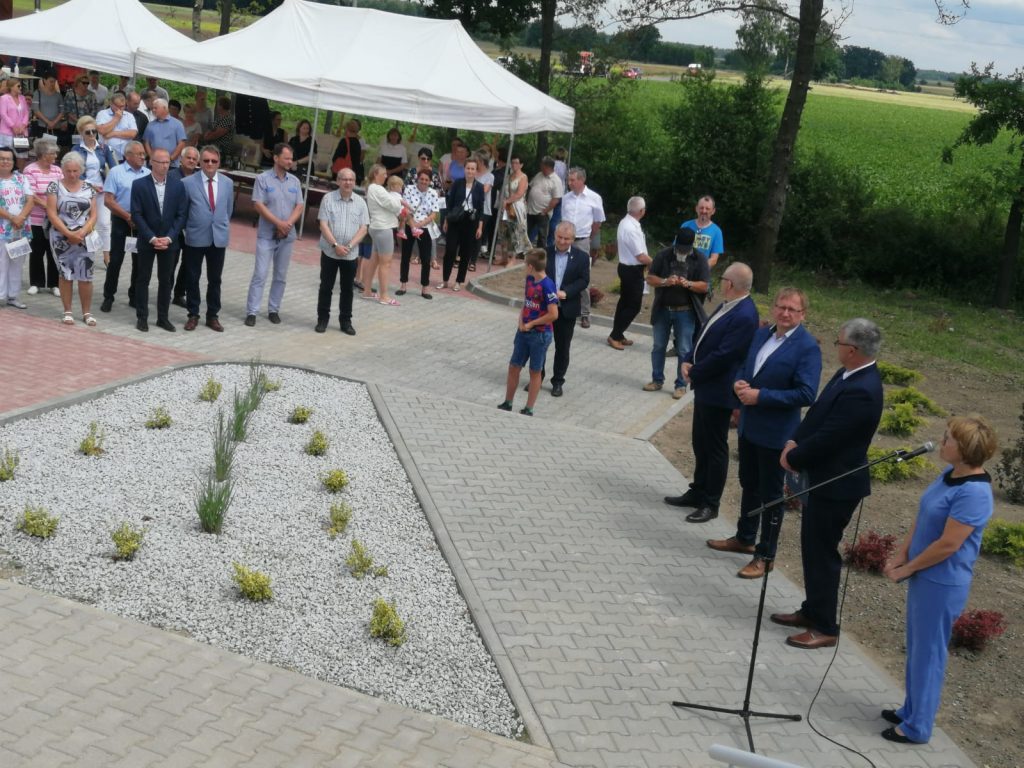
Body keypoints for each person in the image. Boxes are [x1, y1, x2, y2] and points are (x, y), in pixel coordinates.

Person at [881, 415, 998, 745]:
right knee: (917, 646)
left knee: (929, 653)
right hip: (924, 573)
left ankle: (918, 727)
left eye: (948, 439)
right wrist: (903, 554)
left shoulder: (975, 492)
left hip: (942, 582)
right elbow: (923, 517)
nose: (941, 442)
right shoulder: (950, 475)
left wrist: (909, 569)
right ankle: (911, 709)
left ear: (965, 450)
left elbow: (949, 544)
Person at [772, 318, 885, 649]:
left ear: (852, 350)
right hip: (821, 480)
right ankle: (811, 610)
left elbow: (832, 437)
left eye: (839, 343)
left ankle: (825, 627)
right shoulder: (847, 374)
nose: (835, 348)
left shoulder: (864, 390)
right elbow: (817, 415)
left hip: (837, 485)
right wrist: (793, 441)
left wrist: (794, 458)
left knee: (822, 553)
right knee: (811, 547)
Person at [706, 288, 822, 579]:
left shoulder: (807, 347)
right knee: (749, 484)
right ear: (774, 308)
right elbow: (745, 368)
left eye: (792, 309)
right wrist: (738, 384)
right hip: (749, 427)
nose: (785, 313)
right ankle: (744, 538)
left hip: (775, 434)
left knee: (771, 496)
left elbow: (807, 393)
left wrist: (761, 396)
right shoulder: (761, 334)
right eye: (781, 307)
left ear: (803, 314)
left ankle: (765, 555)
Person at [665, 262, 759, 523]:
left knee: (714, 447)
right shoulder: (728, 305)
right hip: (707, 386)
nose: (719, 283)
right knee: (700, 441)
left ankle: (710, 502)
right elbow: (704, 336)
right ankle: (697, 490)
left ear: (730, 284)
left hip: (720, 391)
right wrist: (688, 359)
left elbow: (725, 355)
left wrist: (695, 371)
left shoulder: (745, 314)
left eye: (723, 279)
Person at [643, 227, 709, 399]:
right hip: (663, 309)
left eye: (685, 250)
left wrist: (689, 284)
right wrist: (665, 281)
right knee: (658, 346)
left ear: (691, 246)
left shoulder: (700, 258)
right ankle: (657, 379)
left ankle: (681, 385)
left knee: (684, 349)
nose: (681, 252)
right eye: (679, 249)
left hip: (686, 311)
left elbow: (705, 286)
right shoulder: (663, 255)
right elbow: (650, 278)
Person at [244, 143, 304, 326]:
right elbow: (258, 205)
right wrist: (278, 223)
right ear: (276, 158)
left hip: (287, 236)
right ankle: (252, 311)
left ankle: (273, 309)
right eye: (286, 158)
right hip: (267, 234)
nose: (290, 161)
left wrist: (287, 224)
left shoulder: (294, 181)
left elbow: (299, 206)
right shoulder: (262, 179)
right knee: (260, 273)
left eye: (291, 158)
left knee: (280, 275)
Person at [130, 148, 188, 333]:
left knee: (166, 280)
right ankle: (142, 317)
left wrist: (170, 237)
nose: (165, 166)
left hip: (169, 241)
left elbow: (181, 215)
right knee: (143, 278)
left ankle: (163, 318)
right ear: (151, 163)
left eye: (167, 162)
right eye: (161, 162)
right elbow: (137, 214)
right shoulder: (139, 185)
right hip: (147, 240)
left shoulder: (178, 186)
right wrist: (152, 237)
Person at [497, 248, 559, 417]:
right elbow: (527, 302)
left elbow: (553, 314)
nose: (524, 267)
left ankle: (529, 408)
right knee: (514, 366)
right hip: (523, 331)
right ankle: (508, 402)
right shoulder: (530, 280)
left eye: (525, 264)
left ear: (531, 266)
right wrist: (521, 322)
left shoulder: (548, 285)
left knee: (535, 370)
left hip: (540, 334)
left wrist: (531, 324)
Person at [182, 145, 233, 332]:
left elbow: (228, 210)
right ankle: (193, 314)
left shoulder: (227, 183)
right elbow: (183, 211)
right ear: (200, 163)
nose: (210, 164)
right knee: (192, 277)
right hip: (195, 237)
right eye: (206, 161)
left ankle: (212, 315)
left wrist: (221, 225)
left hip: (218, 238)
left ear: (219, 162)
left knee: (215, 279)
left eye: (214, 161)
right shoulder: (187, 183)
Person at [46, 151, 97, 326]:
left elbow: (94, 215)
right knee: (65, 274)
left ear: (81, 170)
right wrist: (69, 234)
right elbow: (52, 214)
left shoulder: (89, 187)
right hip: (61, 237)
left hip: (85, 237)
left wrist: (82, 233)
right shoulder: (54, 186)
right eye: (68, 171)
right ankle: (67, 311)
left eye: (76, 171)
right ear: (63, 170)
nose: (72, 174)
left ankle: (87, 312)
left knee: (86, 275)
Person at [316, 167, 369, 335]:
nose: (348, 182)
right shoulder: (328, 199)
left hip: (350, 254)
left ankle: (345, 321)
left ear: (355, 182)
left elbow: (363, 228)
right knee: (326, 287)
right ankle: (322, 319)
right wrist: (335, 245)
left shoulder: (361, 202)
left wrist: (349, 246)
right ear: (338, 181)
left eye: (351, 180)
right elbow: (323, 224)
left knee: (347, 289)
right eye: (344, 179)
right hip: (330, 251)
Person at [540, 221, 590, 398]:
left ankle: (558, 381)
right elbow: (535, 276)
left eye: (566, 239)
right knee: (540, 344)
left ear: (573, 239)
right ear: (555, 235)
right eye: (559, 237)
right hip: (545, 309)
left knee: (562, 347)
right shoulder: (544, 253)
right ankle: (537, 377)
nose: (562, 241)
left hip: (566, 309)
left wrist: (566, 292)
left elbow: (584, 280)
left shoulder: (582, 257)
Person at [100, 141, 150, 312]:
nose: (143, 157)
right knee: (115, 260)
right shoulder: (116, 172)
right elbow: (108, 201)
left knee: (139, 261)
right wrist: (127, 216)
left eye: (143, 154)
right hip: (122, 219)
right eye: (139, 154)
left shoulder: (148, 173)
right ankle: (108, 296)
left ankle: (134, 296)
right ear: (127, 156)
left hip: (141, 222)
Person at [560, 166, 604, 328]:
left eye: (572, 180)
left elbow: (598, 221)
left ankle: (585, 313)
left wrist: (589, 238)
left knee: (583, 276)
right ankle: (561, 306)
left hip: (582, 240)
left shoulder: (594, 198)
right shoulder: (566, 198)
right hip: (565, 240)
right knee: (561, 271)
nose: (569, 183)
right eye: (568, 180)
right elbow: (563, 219)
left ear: (582, 180)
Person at [70, 116, 115, 273]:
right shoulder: (76, 150)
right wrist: (90, 185)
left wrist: (110, 185)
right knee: (86, 225)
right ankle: (88, 255)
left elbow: (113, 168)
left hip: (102, 191)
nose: (92, 135)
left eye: (94, 131)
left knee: (105, 224)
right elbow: (75, 172)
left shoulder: (103, 148)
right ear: (81, 133)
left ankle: (107, 257)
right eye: (88, 132)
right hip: (84, 191)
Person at [609, 196, 651, 349]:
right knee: (633, 306)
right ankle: (615, 335)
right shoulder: (631, 228)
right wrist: (655, 263)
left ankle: (618, 334)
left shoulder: (626, 222)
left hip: (628, 268)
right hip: (632, 270)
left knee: (625, 303)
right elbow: (640, 256)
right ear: (641, 211)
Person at [439, 156, 486, 292]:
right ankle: (445, 280)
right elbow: (450, 203)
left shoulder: (479, 187)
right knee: (450, 250)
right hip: (455, 220)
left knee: (466, 253)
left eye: (472, 169)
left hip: (471, 221)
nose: (470, 171)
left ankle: (459, 281)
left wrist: (480, 227)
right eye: (468, 168)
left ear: (476, 171)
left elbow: (481, 208)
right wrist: (446, 220)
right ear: (464, 169)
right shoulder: (457, 184)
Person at [23, 138, 62, 297]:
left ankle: (54, 284)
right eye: (53, 153)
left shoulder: (57, 170)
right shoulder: (30, 170)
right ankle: (36, 283)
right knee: (37, 251)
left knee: (54, 251)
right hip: (36, 219)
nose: (56, 156)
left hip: (54, 219)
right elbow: (31, 195)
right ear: (43, 154)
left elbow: (62, 190)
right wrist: (49, 206)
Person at [360, 163, 404, 305]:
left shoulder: (373, 188)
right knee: (386, 263)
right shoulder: (378, 188)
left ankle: (367, 291)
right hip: (383, 228)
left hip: (377, 227)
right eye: (383, 174)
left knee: (374, 260)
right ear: (375, 174)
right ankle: (384, 296)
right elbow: (394, 205)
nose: (386, 176)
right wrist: (399, 199)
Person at [0, 146, 34, 309]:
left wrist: (20, 218)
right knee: (1, 263)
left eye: (8, 159)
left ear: (13, 161)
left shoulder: (21, 178)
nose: (5, 161)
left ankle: (13, 296)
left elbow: (30, 200)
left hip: (21, 229)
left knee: (18, 263)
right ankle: (1, 296)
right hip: (3, 230)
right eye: (2, 158)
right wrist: (12, 217)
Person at [398, 169, 439, 300]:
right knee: (405, 256)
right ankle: (403, 285)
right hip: (410, 224)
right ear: (417, 179)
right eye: (422, 179)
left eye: (427, 180)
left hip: (424, 227)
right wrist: (413, 224)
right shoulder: (409, 189)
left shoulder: (433, 193)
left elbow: (434, 213)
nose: (424, 182)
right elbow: (405, 208)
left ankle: (425, 287)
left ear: (430, 181)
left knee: (426, 259)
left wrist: (421, 224)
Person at [681, 195, 724, 283]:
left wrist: (698, 268)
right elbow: (675, 248)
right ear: (696, 208)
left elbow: (714, 259)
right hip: (682, 273)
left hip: (700, 278)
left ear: (713, 211)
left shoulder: (717, 231)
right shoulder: (685, 225)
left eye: (707, 209)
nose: (704, 211)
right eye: (701, 208)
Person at [525, 156, 562, 249]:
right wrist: (526, 200)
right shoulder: (539, 174)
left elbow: (556, 199)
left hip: (543, 212)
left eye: (542, 165)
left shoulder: (556, 180)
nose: (540, 167)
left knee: (542, 236)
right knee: (526, 232)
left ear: (548, 167)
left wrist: (546, 211)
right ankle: (524, 252)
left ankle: (540, 253)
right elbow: (530, 186)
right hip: (530, 210)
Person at [143, 98, 186, 168]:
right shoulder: (150, 125)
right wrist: (152, 157)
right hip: (154, 164)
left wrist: (171, 158)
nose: (153, 110)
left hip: (172, 164)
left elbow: (181, 143)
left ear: (164, 108)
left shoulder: (177, 124)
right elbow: (146, 142)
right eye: (153, 108)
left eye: (155, 108)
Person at [501, 153, 530, 259]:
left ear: (521, 165)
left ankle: (514, 257)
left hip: (517, 207)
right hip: (506, 207)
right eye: (512, 162)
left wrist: (507, 201)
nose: (514, 165)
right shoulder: (508, 176)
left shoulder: (523, 177)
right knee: (504, 232)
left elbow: (519, 193)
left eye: (517, 163)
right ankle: (504, 257)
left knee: (516, 232)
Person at [95, 92, 137, 162]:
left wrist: (113, 133)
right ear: (111, 104)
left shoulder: (129, 116)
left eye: (122, 106)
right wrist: (116, 118)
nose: (120, 109)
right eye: (118, 106)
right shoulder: (102, 114)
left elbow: (133, 134)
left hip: (126, 154)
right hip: (108, 154)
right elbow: (101, 130)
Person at [32, 72, 68, 146]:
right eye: (51, 81)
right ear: (44, 80)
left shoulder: (58, 95)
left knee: (55, 148)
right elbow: (36, 110)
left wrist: (54, 122)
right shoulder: (37, 93)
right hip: (42, 126)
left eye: (54, 82)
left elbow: (62, 111)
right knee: (42, 148)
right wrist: (48, 122)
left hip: (56, 127)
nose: (52, 84)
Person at [0, 78, 30, 149]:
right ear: (11, 87)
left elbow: (26, 112)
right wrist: (13, 127)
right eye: (18, 86)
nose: (21, 87)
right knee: (7, 153)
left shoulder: (22, 98)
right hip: (7, 132)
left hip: (22, 131)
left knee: (21, 153)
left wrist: (23, 125)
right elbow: (3, 114)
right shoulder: (4, 98)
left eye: (21, 86)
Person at [203, 96, 234, 161]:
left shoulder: (227, 119)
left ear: (221, 106)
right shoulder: (220, 117)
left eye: (218, 104)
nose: (217, 106)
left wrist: (206, 137)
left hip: (222, 150)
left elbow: (216, 134)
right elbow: (212, 129)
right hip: (215, 148)